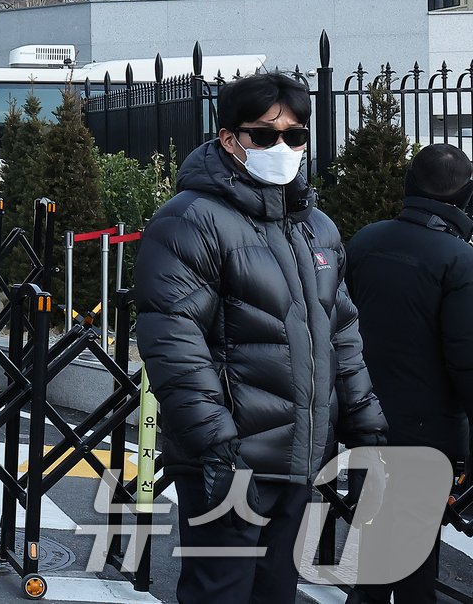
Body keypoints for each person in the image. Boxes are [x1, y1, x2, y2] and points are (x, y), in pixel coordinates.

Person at [133, 72, 386, 604]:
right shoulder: (188, 220)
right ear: (229, 139)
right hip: (230, 458)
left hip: (301, 455)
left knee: (275, 593)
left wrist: (365, 422)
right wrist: (218, 448)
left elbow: (340, 326)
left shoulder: (316, 225)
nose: (284, 147)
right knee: (220, 594)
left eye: (295, 135)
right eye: (265, 135)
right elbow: (175, 345)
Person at [346, 143, 473, 604]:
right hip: (429, 431)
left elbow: (343, 327)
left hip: (367, 418)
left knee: (374, 542)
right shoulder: (459, 260)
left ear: (408, 185)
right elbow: (465, 359)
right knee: (418, 557)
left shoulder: (365, 240)